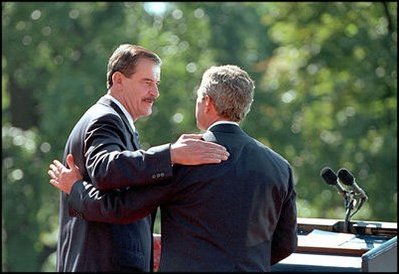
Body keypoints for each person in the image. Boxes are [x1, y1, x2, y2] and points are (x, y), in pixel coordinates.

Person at [49, 64, 297, 272]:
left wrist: (76, 188)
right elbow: (286, 243)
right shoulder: (279, 167)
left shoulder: (185, 159)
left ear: (207, 103)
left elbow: (120, 209)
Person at [50, 44, 230, 272]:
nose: (155, 93)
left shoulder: (115, 121)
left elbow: (120, 200)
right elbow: (106, 169)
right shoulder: (105, 119)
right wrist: (172, 154)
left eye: (156, 84)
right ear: (118, 80)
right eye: (147, 82)